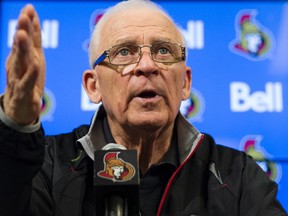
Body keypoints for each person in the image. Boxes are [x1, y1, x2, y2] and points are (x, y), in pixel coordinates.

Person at [0, 1, 287, 216]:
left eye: (163, 50)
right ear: (93, 86)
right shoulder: (47, 167)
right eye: (124, 52)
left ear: (185, 83)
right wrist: (17, 125)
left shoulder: (238, 176)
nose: (147, 66)